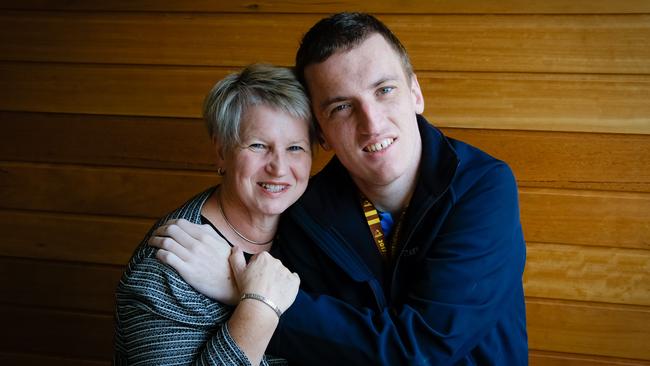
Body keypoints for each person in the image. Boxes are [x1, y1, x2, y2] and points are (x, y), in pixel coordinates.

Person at [158, 12, 528, 365]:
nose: (372, 123)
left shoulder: (483, 187)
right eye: (342, 107)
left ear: (415, 91)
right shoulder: (304, 210)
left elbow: (424, 350)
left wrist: (253, 295)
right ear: (322, 133)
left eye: (384, 90)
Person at [114, 63, 316, 365]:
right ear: (222, 152)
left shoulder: (312, 227)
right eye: (259, 145)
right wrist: (258, 307)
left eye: (295, 148)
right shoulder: (168, 272)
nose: (279, 167)